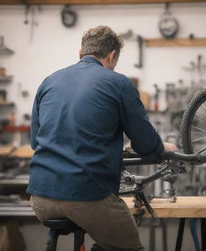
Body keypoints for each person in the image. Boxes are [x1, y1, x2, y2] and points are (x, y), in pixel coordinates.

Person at [27, 26, 177, 251]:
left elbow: (35, 142)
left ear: (80, 53)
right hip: (86, 196)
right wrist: (159, 148)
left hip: (40, 198)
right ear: (113, 55)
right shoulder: (119, 83)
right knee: (129, 247)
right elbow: (145, 142)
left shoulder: (49, 81)